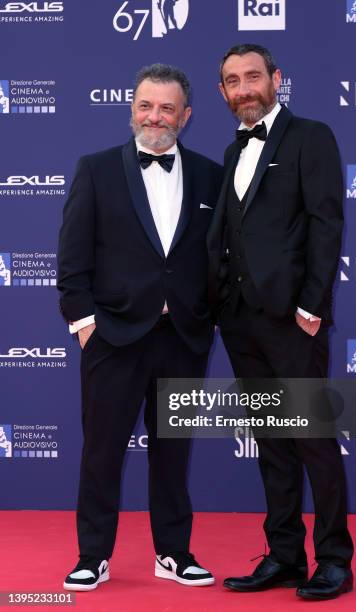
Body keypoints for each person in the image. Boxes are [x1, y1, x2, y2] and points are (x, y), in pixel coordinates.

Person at [58, 63, 222, 591]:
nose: (156, 116)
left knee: (173, 452)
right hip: (113, 337)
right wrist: (86, 324)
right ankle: (92, 555)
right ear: (132, 109)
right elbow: (72, 259)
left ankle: (173, 552)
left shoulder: (208, 175)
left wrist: (206, 318)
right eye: (146, 106)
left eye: (167, 108)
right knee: (101, 450)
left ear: (186, 115)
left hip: (182, 340)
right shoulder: (96, 169)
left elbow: (217, 258)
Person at [208, 44, 354, 601]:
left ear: (276, 79)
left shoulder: (311, 136)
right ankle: (285, 554)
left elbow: (326, 224)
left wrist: (312, 306)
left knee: (313, 440)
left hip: (295, 321)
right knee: (271, 442)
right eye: (232, 81)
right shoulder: (230, 152)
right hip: (242, 323)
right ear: (222, 92)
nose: (244, 88)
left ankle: (335, 559)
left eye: (253, 77)